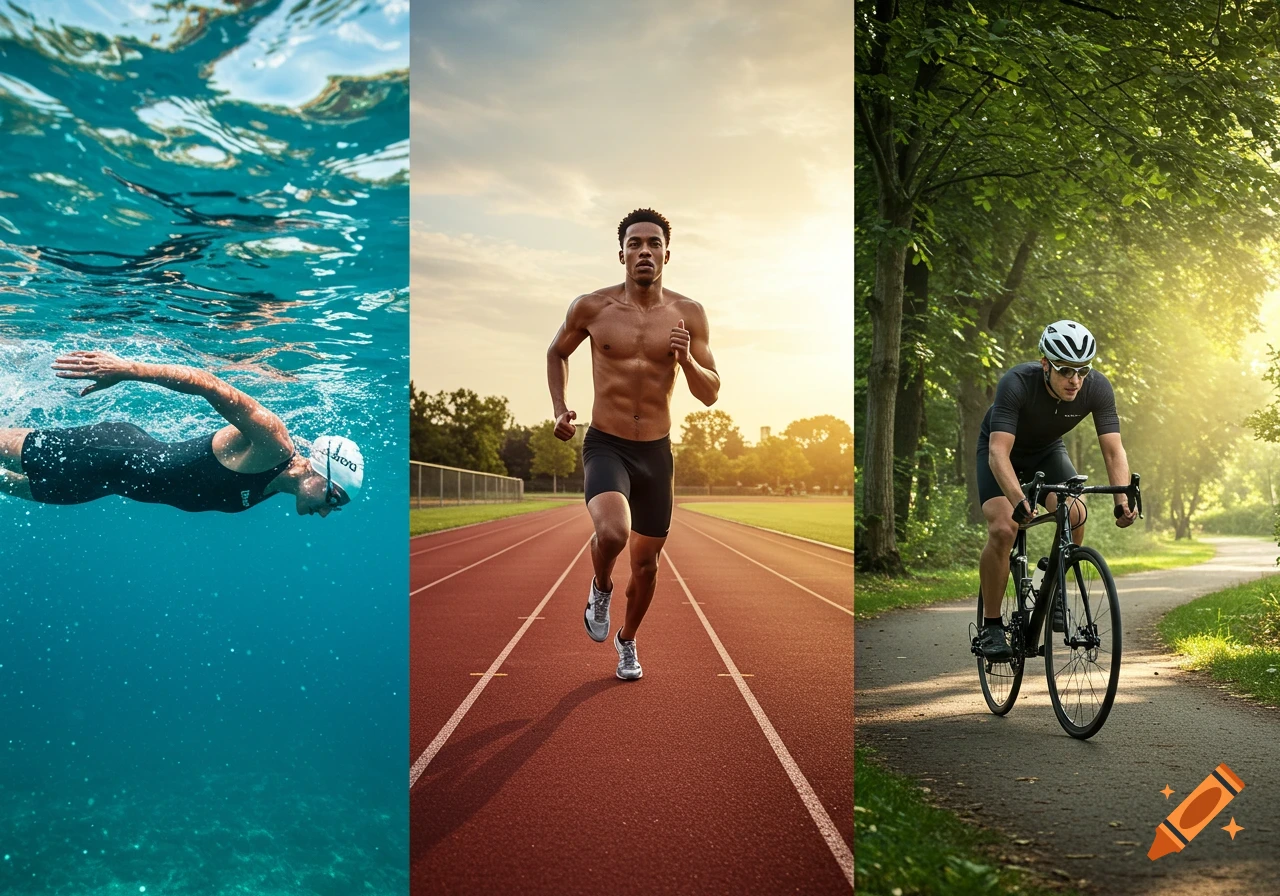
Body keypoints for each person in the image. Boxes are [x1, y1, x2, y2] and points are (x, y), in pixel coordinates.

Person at [546, 208, 720, 680]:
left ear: (667, 253)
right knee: (613, 534)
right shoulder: (592, 308)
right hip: (606, 444)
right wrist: (559, 407)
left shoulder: (689, 315)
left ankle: (627, 641)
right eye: (635, 243)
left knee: (645, 567)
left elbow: (710, 394)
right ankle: (600, 586)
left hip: (655, 454)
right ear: (621, 252)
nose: (645, 250)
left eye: (653, 243)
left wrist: (685, 361)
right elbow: (557, 351)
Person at [0, 350, 362, 516]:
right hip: (105, 452)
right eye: (334, 498)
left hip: (101, 486)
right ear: (320, 470)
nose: (328, 512)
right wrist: (129, 369)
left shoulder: (275, 485)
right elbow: (211, 385)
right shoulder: (272, 443)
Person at [975, 320, 1137, 660]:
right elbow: (998, 453)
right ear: (1045, 364)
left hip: (1047, 452)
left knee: (1076, 512)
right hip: (1001, 454)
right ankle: (991, 626)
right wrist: (1019, 500)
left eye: (1082, 370)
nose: (1075, 380)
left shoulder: (1097, 388)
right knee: (1006, 528)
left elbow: (1113, 449)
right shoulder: (1017, 383)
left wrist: (1122, 499)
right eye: (1065, 371)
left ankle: (1054, 580)